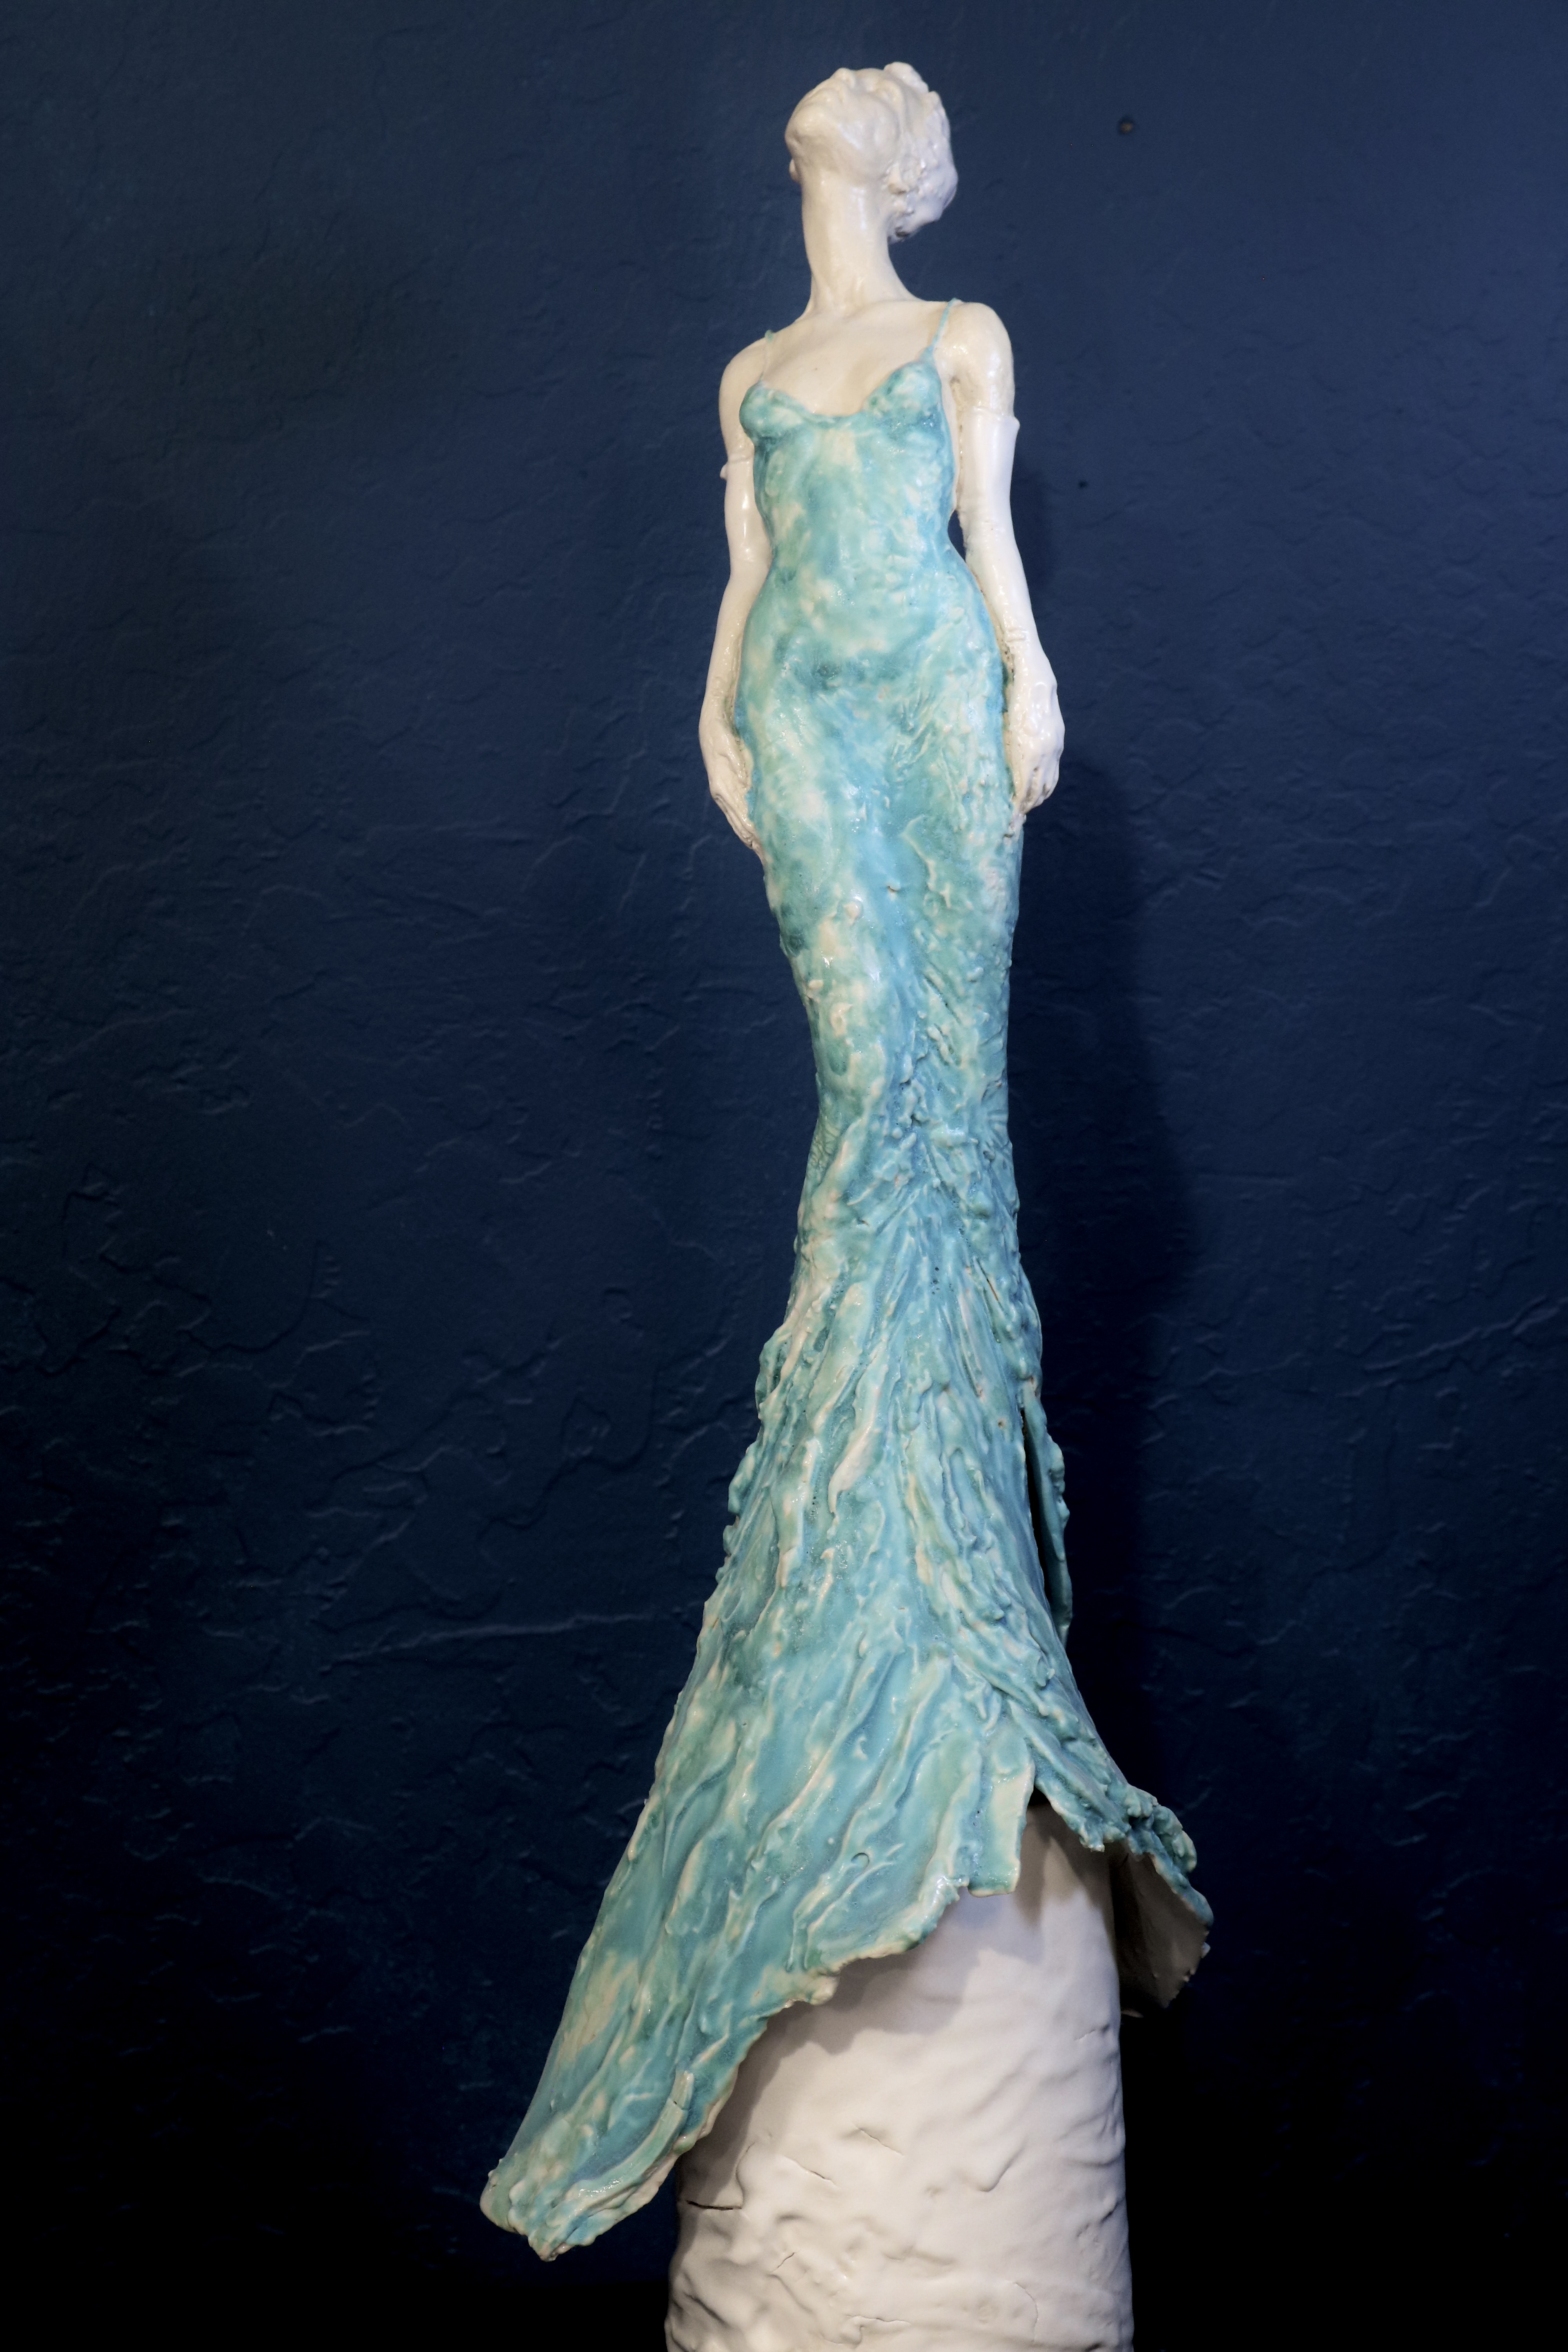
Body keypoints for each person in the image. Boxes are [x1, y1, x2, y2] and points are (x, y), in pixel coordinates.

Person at [483, 62, 1209, 2271]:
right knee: (863, 1101)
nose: (823, 149)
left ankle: (937, 1590)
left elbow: (984, 538)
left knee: (931, 1111)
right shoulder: (748, 372)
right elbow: (746, 572)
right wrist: (712, 710)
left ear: (880, 167)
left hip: (929, 708)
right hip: (800, 716)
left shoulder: (961, 332)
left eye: (845, 132)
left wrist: (1032, 686)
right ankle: (852, 1562)